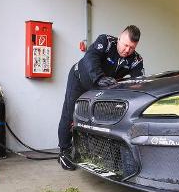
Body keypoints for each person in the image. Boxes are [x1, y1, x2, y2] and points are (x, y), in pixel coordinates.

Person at [57, 25, 144, 170]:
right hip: (79, 79)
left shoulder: (135, 59)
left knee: (100, 119)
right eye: (125, 45)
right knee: (70, 114)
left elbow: (139, 81)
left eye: (132, 48)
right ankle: (64, 152)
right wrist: (99, 77)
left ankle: (94, 152)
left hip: (102, 87)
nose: (127, 50)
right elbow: (90, 57)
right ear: (120, 37)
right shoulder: (106, 41)